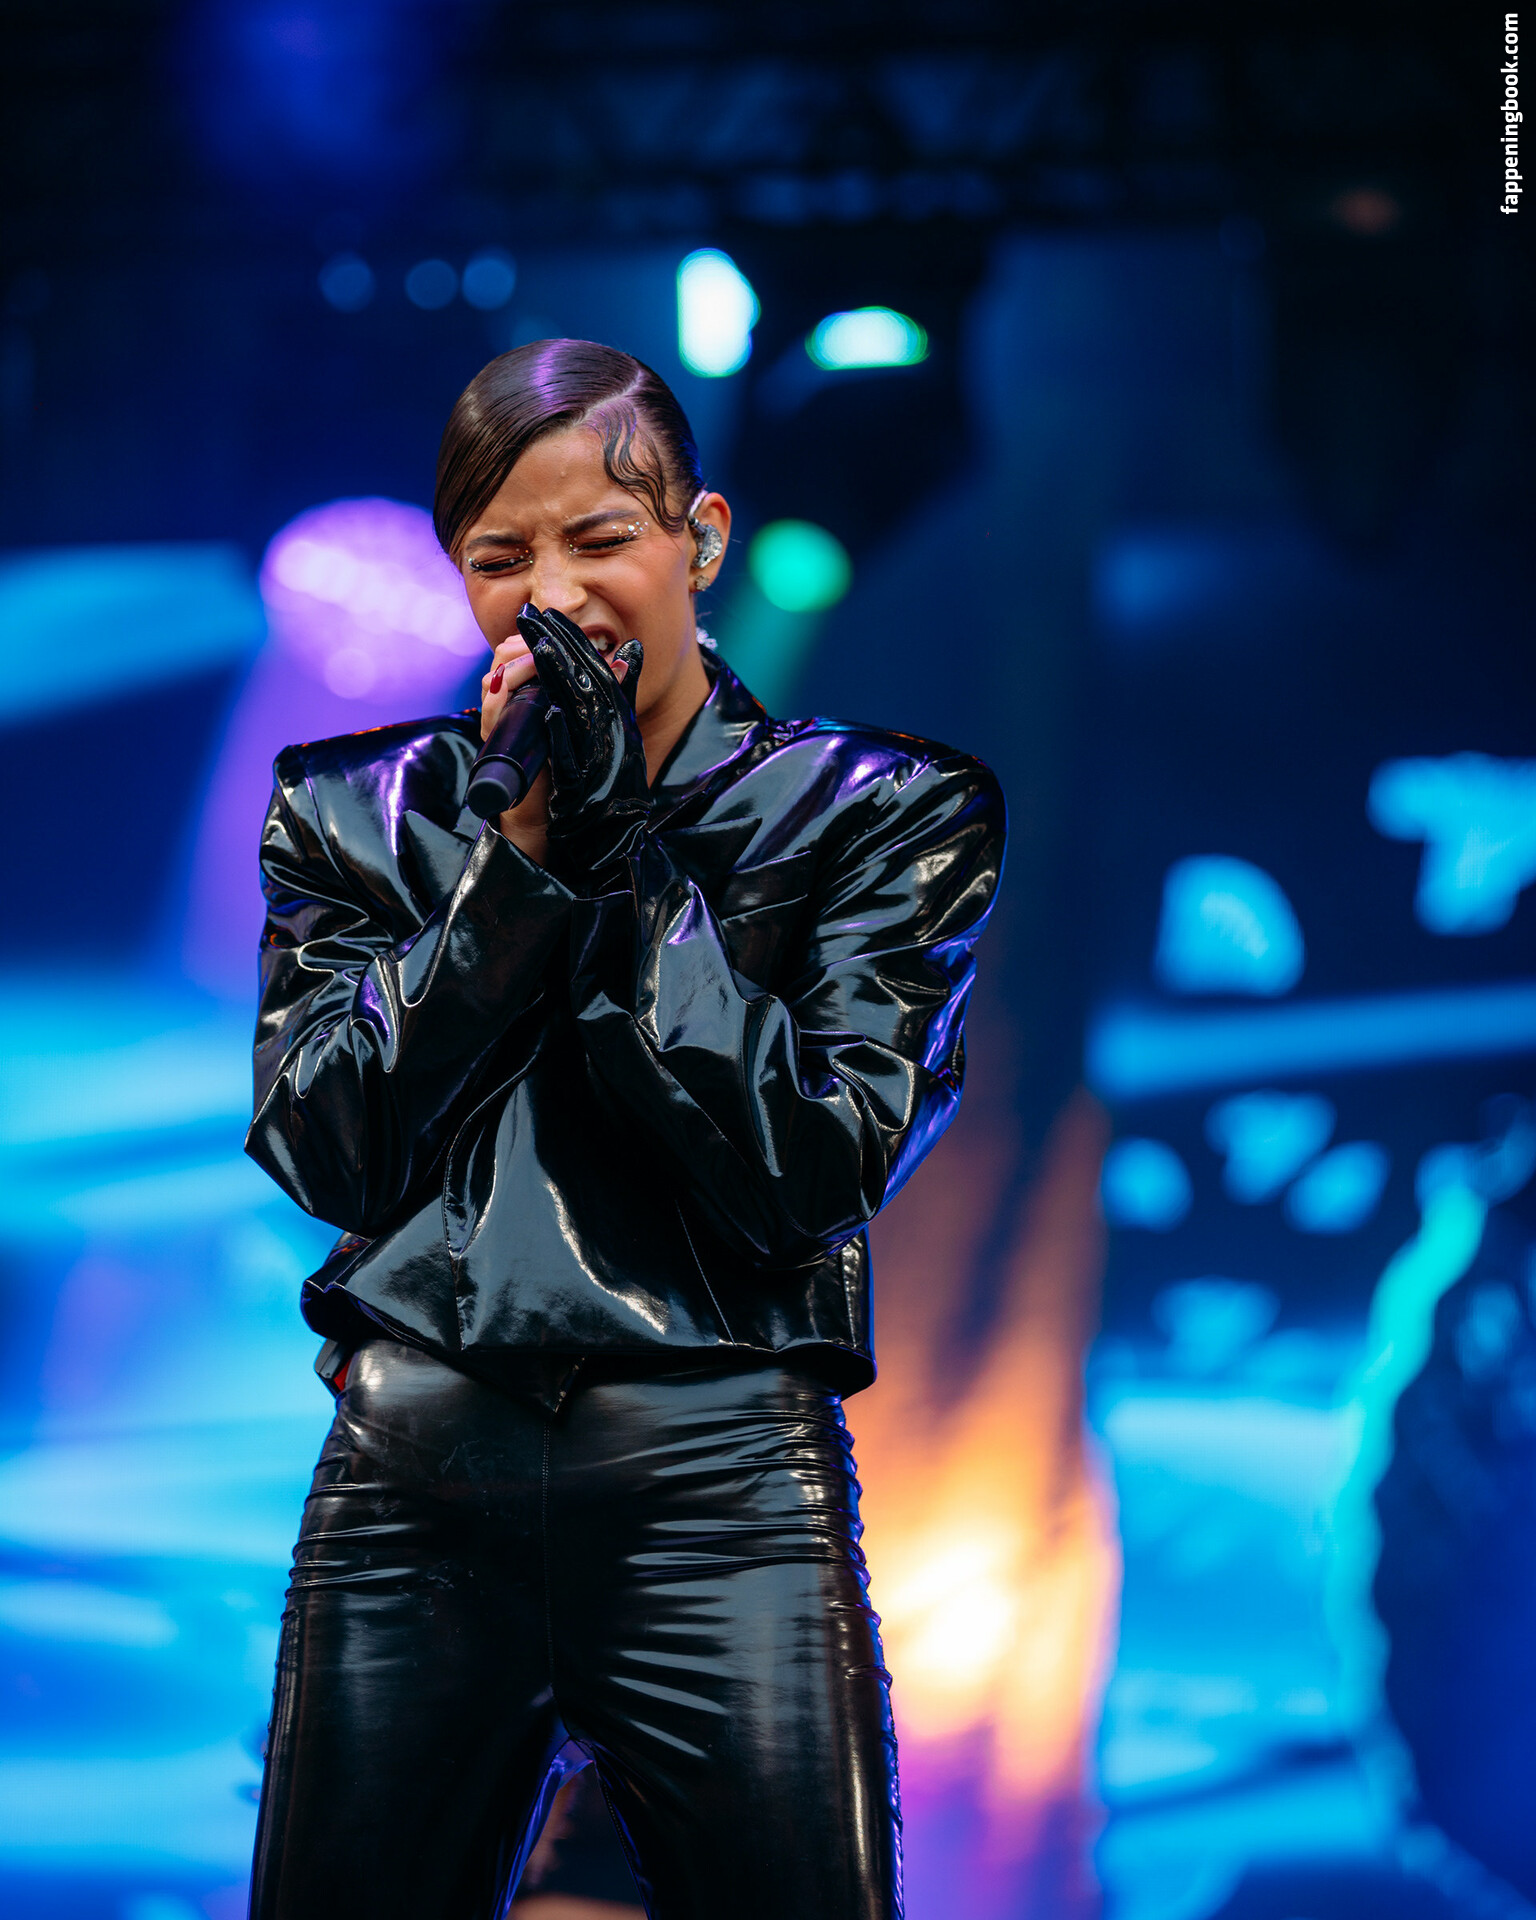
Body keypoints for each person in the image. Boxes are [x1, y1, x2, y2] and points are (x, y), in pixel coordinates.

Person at [245, 337, 1006, 1920]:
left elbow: (813, 1165)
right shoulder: (351, 814)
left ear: (700, 539)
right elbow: (328, 1146)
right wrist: (514, 870)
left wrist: (620, 863)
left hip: (719, 1489)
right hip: (415, 1485)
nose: (555, 595)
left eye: (599, 540)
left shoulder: (883, 812)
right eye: (499, 558)